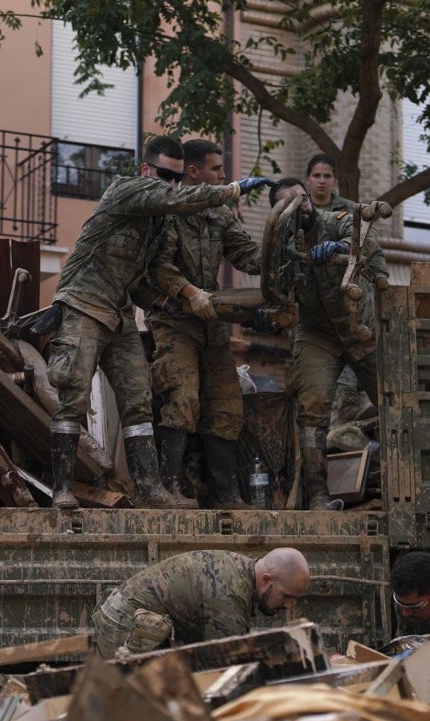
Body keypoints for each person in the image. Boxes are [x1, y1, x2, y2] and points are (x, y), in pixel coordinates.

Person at [44, 134, 276, 510]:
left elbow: (141, 278)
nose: (167, 184)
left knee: (139, 400)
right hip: (84, 305)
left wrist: (166, 304)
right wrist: (232, 190)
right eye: (163, 175)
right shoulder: (125, 191)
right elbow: (172, 200)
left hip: (118, 314)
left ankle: (151, 488)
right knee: (74, 397)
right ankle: (63, 489)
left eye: (173, 177)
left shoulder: (157, 223)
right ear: (145, 169)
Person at [148, 139, 263, 508]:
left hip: (212, 322)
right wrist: (189, 293)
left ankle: (225, 495)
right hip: (174, 319)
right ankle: (171, 488)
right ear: (194, 173)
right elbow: (159, 265)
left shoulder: (220, 214)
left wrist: (283, 252)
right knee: (182, 398)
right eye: (217, 169)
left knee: (228, 404)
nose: (225, 176)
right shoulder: (167, 211)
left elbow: (247, 255)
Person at [269, 178, 387, 510]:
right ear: (278, 213)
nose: (301, 204)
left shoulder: (335, 220)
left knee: (394, 404)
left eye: (303, 198)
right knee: (312, 411)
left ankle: (403, 485)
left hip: (361, 329)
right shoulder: (279, 248)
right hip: (317, 333)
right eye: (290, 202)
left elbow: (365, 238)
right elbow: (271, 287)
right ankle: (319, 496)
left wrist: (342, 247)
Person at [92, 548, 311, 658]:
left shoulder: (242, 571)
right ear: (265, 581)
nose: (289, 606)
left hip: (130, 618)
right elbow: (223, 664)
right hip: (123, 627)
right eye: (286, 596)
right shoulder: (229, 595)